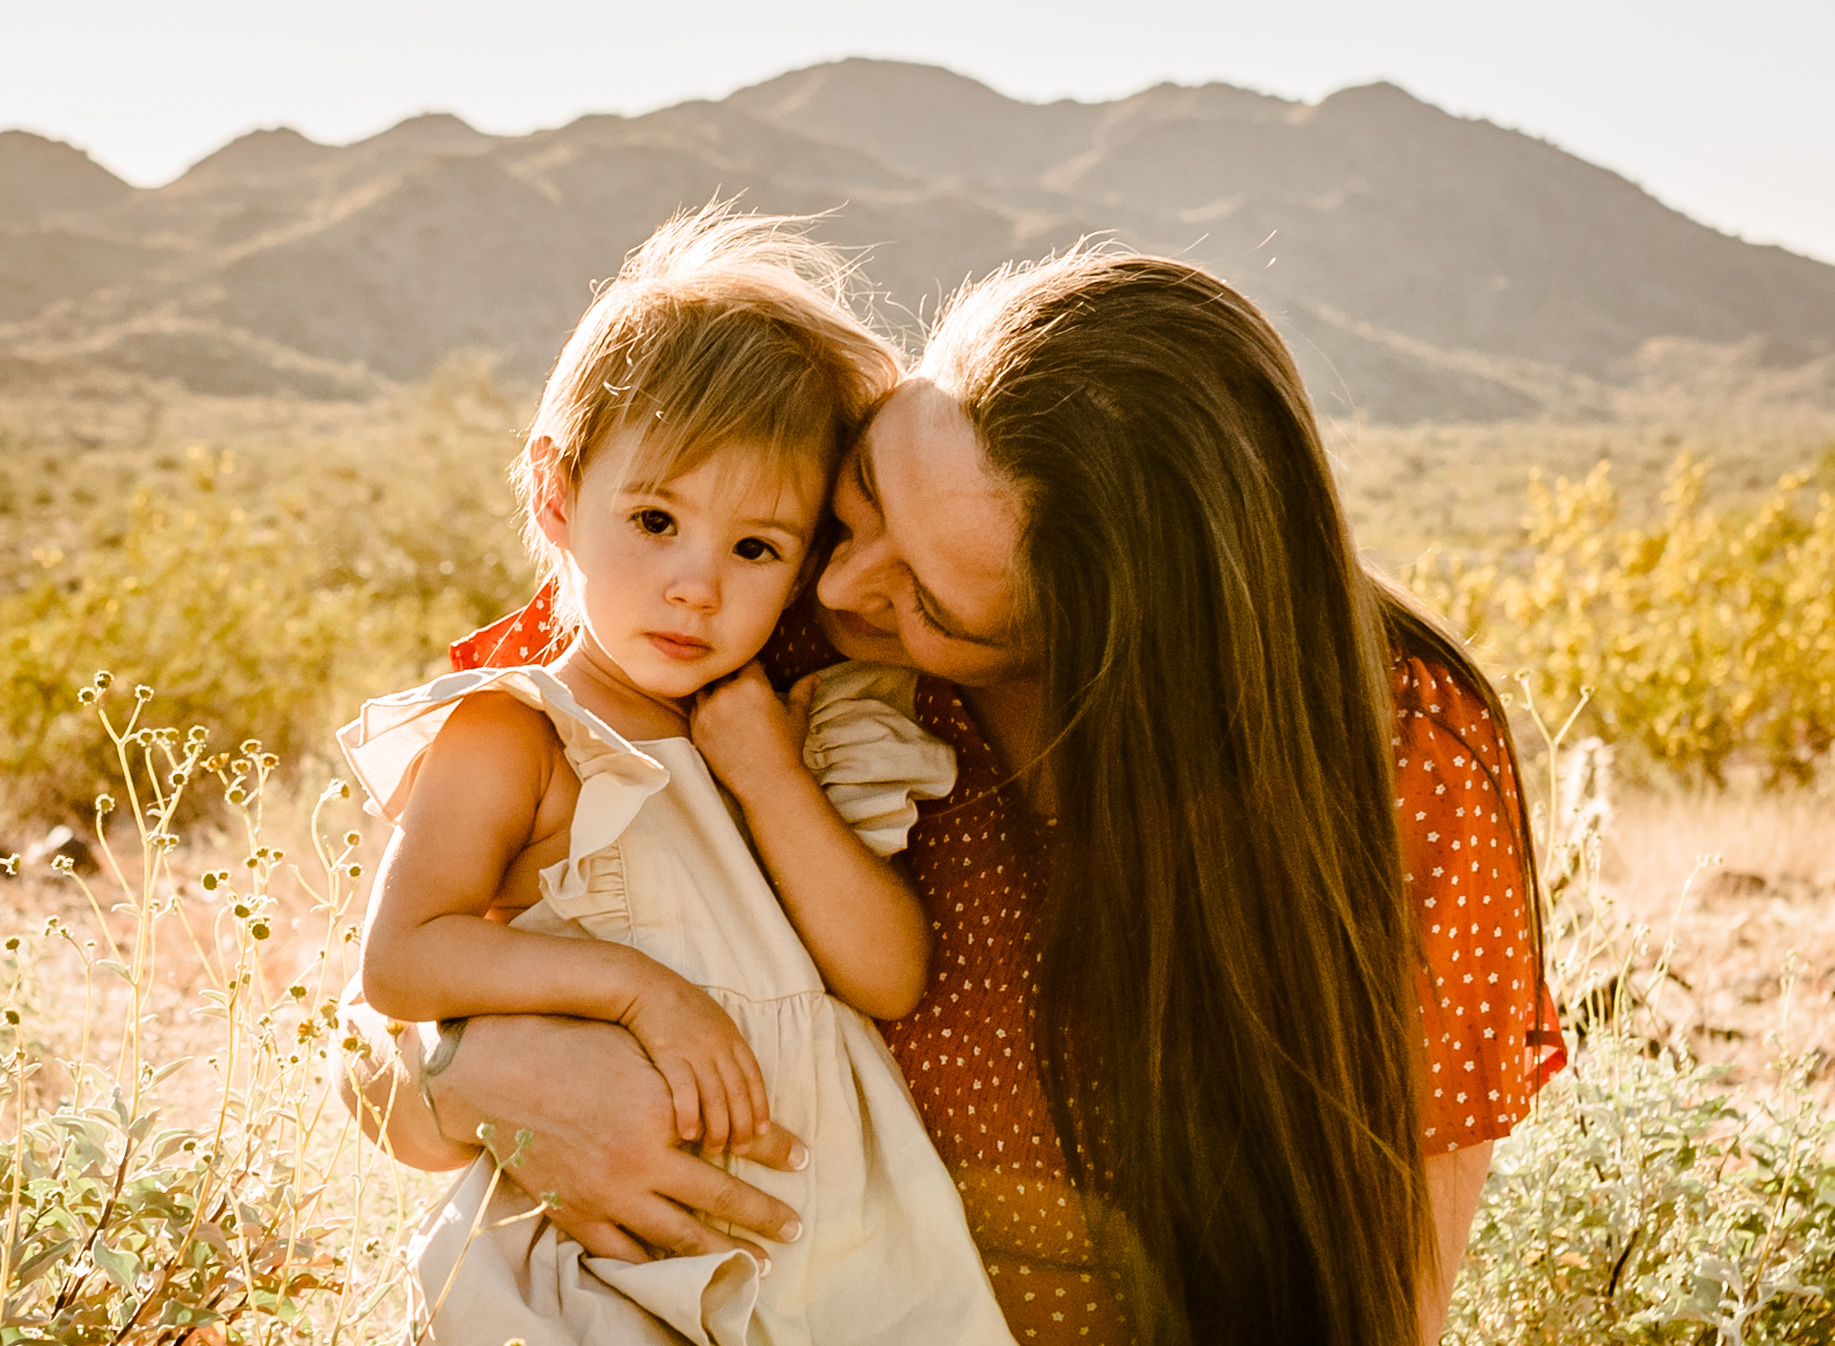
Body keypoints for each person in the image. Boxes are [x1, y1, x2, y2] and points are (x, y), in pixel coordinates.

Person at [343, 245, 1566, 1346]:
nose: (843, 591)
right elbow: (381, 996)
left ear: (1102, 647)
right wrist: (483, 1086)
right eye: (857, 504)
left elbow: (1392, 1287)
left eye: (929, 604)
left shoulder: (1404, 762)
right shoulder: (734, 613)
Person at [337, 206, 1016, 1345]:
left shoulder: (802, 732)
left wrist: (768, 778)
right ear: (558, 496)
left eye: (755, 546)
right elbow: (401, 959)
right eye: (654, 519)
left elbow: (887, 972)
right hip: (596, 1264)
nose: (696, 585)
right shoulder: (521, 734)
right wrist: (640, 990)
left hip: (833, 1251)